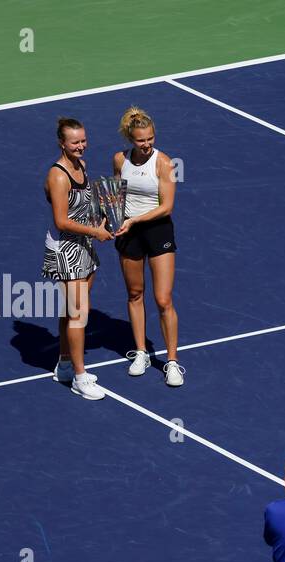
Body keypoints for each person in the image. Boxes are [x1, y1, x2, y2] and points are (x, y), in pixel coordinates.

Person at [112, 107, 184, 387]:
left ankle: (172, 362)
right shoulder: (119, 160)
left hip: (156, 230)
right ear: (131, 138)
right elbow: (115, 195)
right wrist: (110, 219)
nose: (147, 144)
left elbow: (167, 207)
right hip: (128, 232)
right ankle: (141, 352)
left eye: (150, 138)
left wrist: (135, 220)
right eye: (141, 140)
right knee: (135, 293)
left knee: (163, 299)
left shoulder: (164, 163)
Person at [43, 117, 112, 401]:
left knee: (73, 310)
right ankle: (80, 379)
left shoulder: (82, 166)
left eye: (83, 141)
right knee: (79, 313)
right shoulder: (58, 175)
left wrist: (106, 216)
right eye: (75, 142)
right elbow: (61, 221)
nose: (81, 146)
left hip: (84, 243)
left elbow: (84, 204)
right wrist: (95, 231)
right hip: (66, 250)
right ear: (62, 143)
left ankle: (65, 364)